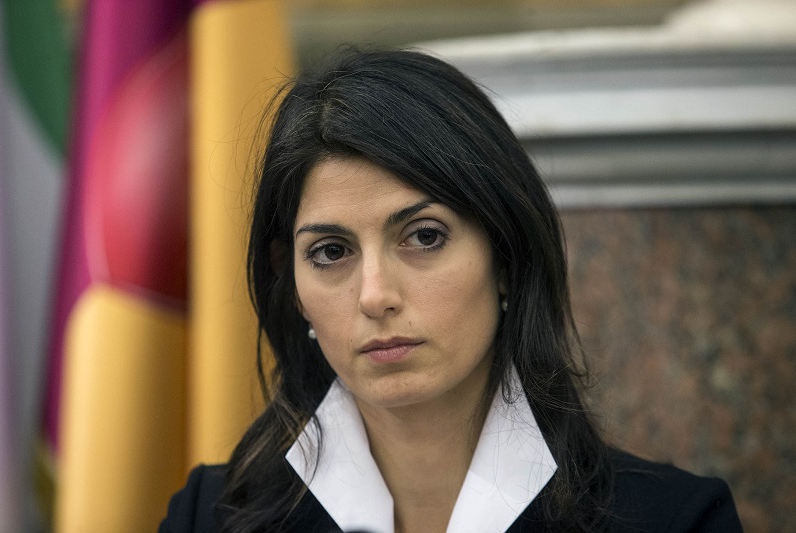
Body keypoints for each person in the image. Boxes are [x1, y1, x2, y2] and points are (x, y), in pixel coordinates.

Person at [160, 48, 742, 532]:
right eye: (331, 252)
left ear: (506, 256)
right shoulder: (209, 517)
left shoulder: (675, 521)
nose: (375, 296)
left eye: (424, 236)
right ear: (291, 285)